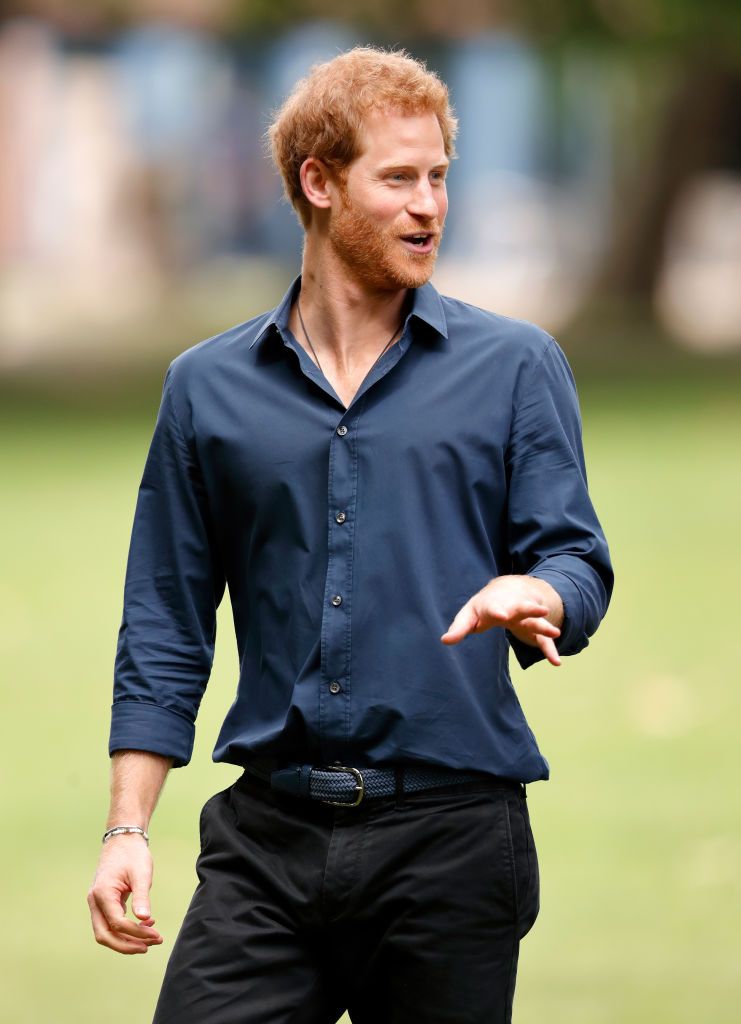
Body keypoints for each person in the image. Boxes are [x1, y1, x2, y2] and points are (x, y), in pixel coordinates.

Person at [87, 46, 613, 1024]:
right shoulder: (208, 388)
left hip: (451, 840)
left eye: (440, 177)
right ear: (318, 182)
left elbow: (574, 559)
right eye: (400, 178)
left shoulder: (516, 367)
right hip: (267, 841)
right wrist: (128, 828)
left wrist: (540, 593)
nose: (430, 206)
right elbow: (163, 621)